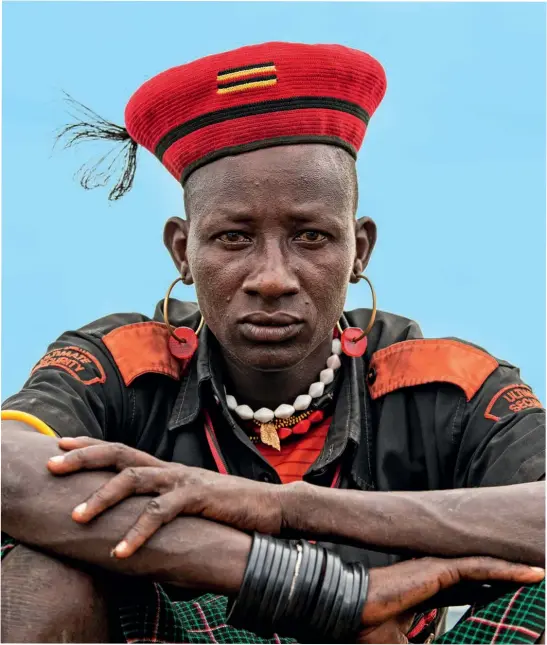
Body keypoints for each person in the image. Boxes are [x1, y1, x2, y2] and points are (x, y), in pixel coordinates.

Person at [1, 41, 545, 644]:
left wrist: (289, 508)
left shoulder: (448, 383)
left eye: (311, 237)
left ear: (359, 249)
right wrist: (307, 585)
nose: (271, 278)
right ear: (182, 250)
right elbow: (8, 467)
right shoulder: (125, 362)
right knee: (42, 570)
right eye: (234, 238)